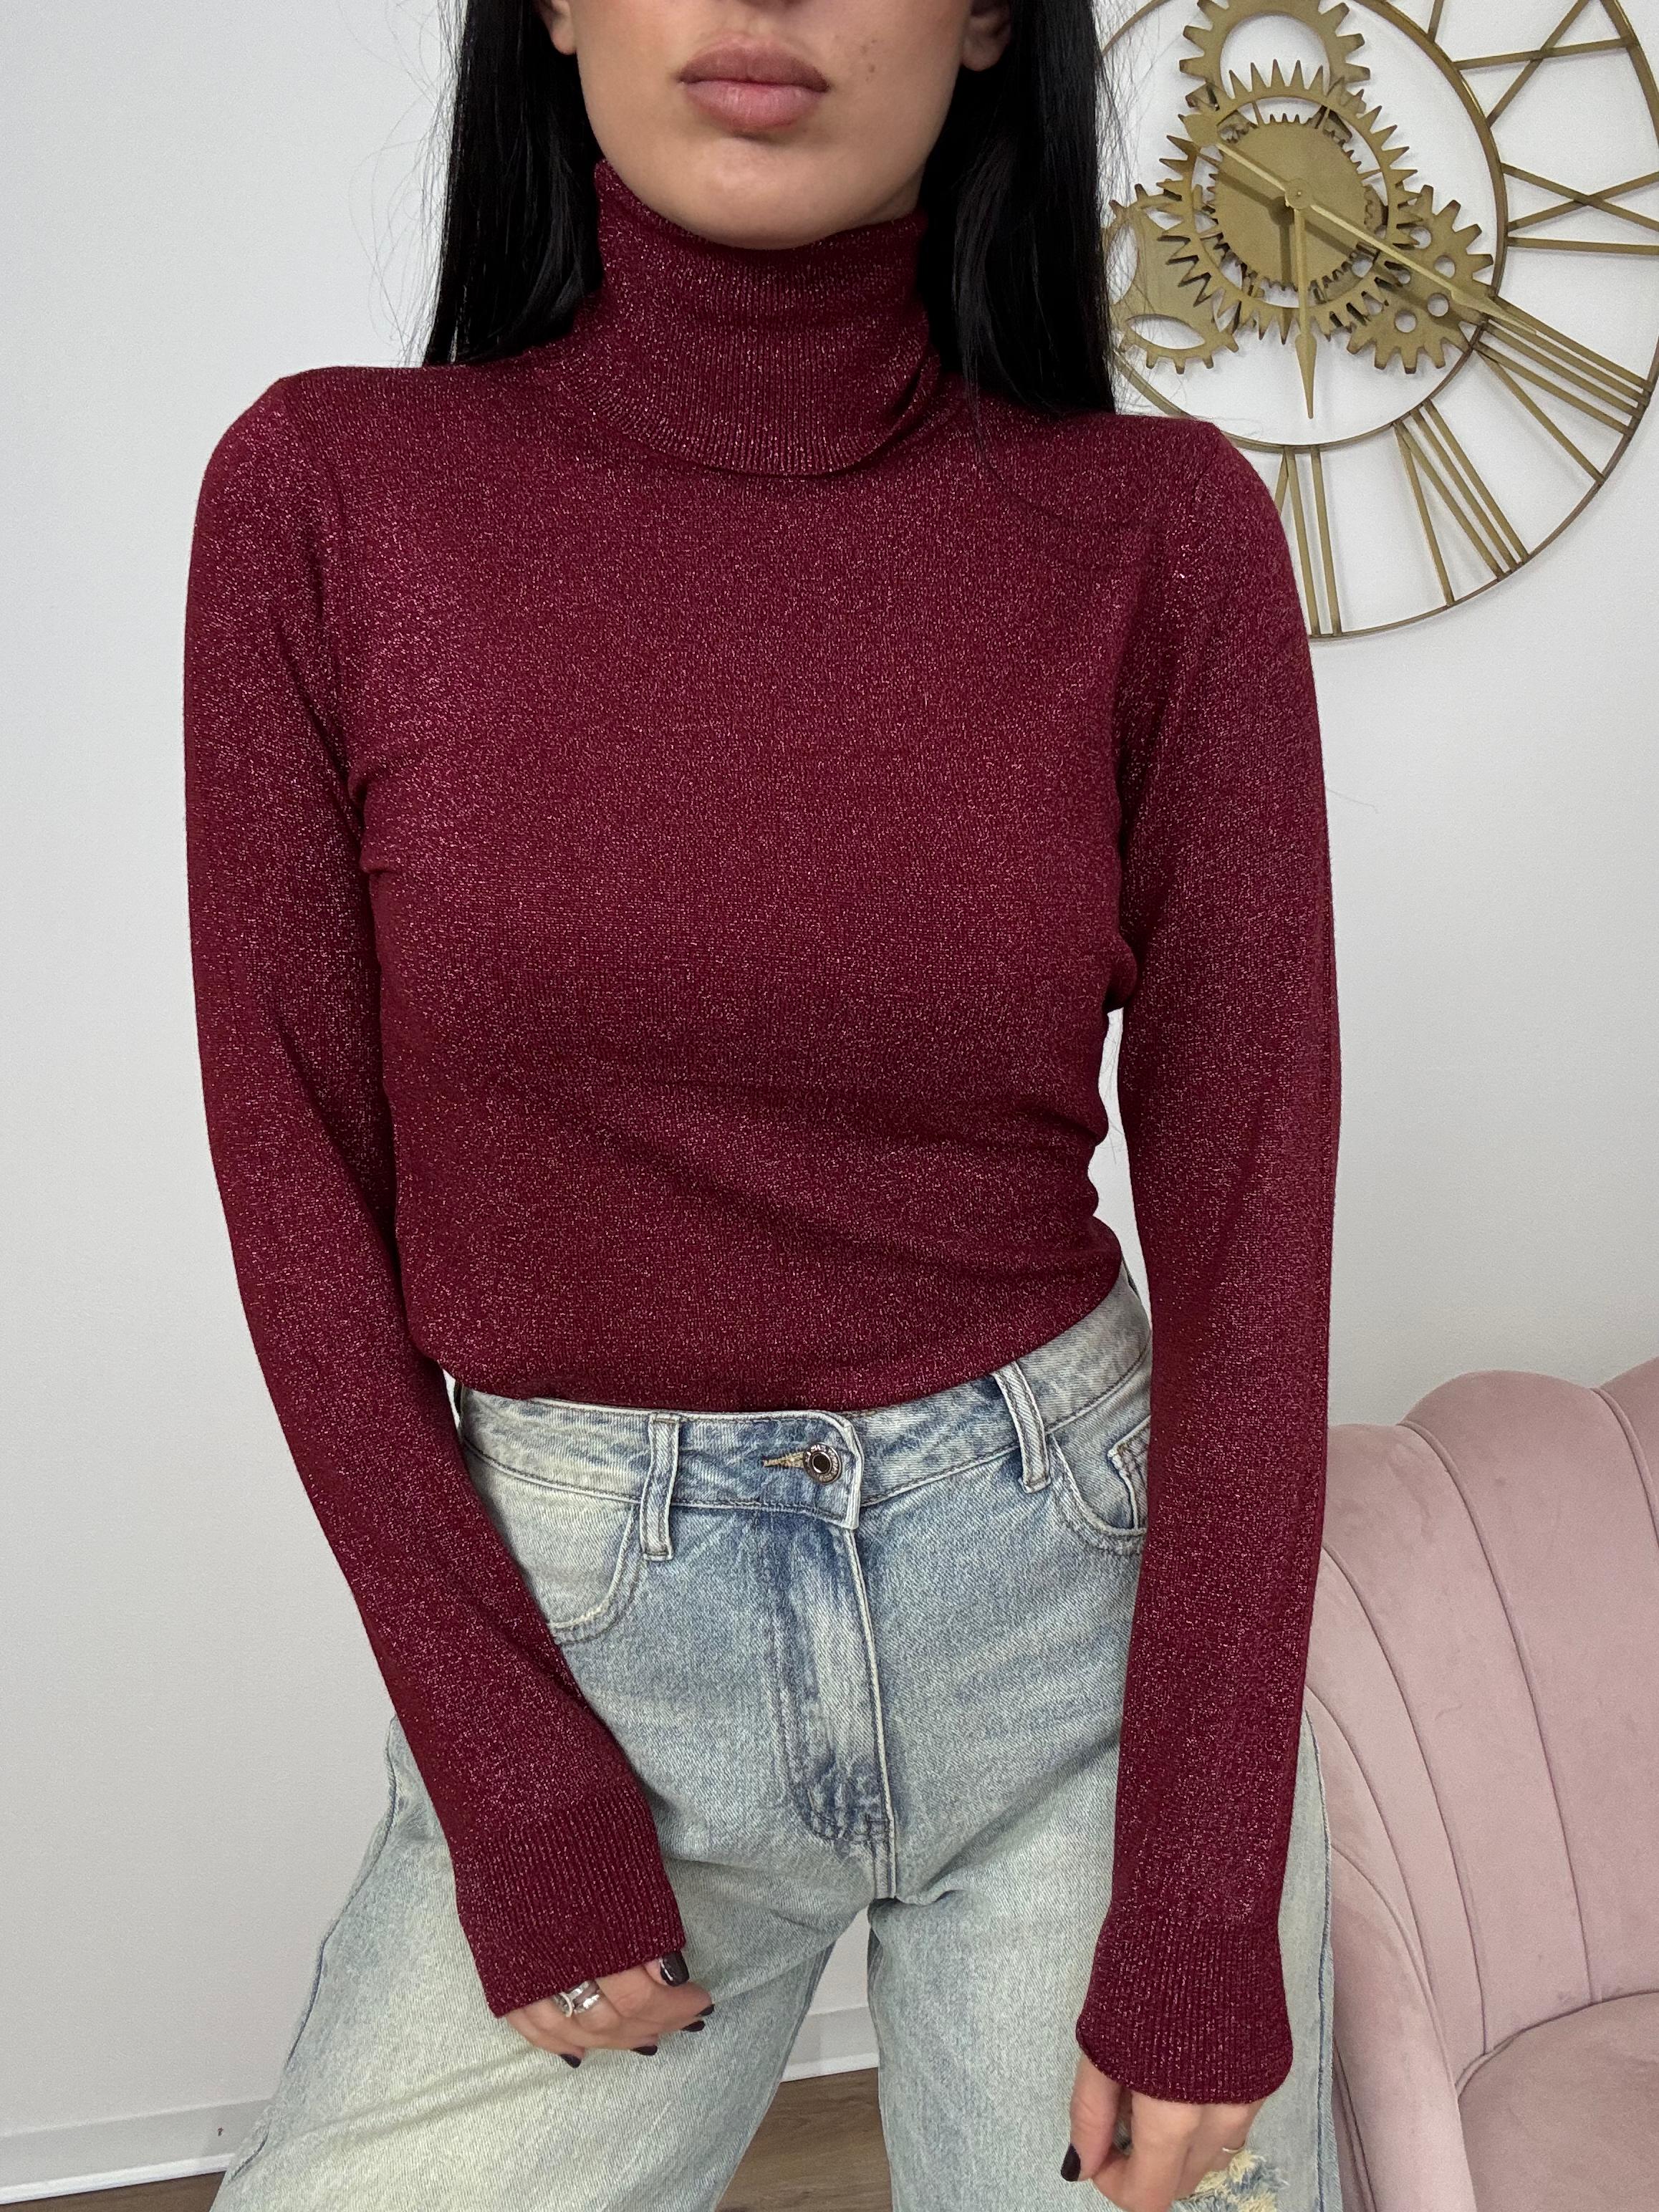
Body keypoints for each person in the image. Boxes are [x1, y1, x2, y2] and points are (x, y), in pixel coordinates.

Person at [182, 1, 1343, 2206]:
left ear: (987, 19)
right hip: (590, 1662)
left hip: (1073, 1653)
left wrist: (1199, 1905)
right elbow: (295, 1177)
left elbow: (1253, 1233)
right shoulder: (331, 494)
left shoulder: (1155, 531)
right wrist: (512, 1780)